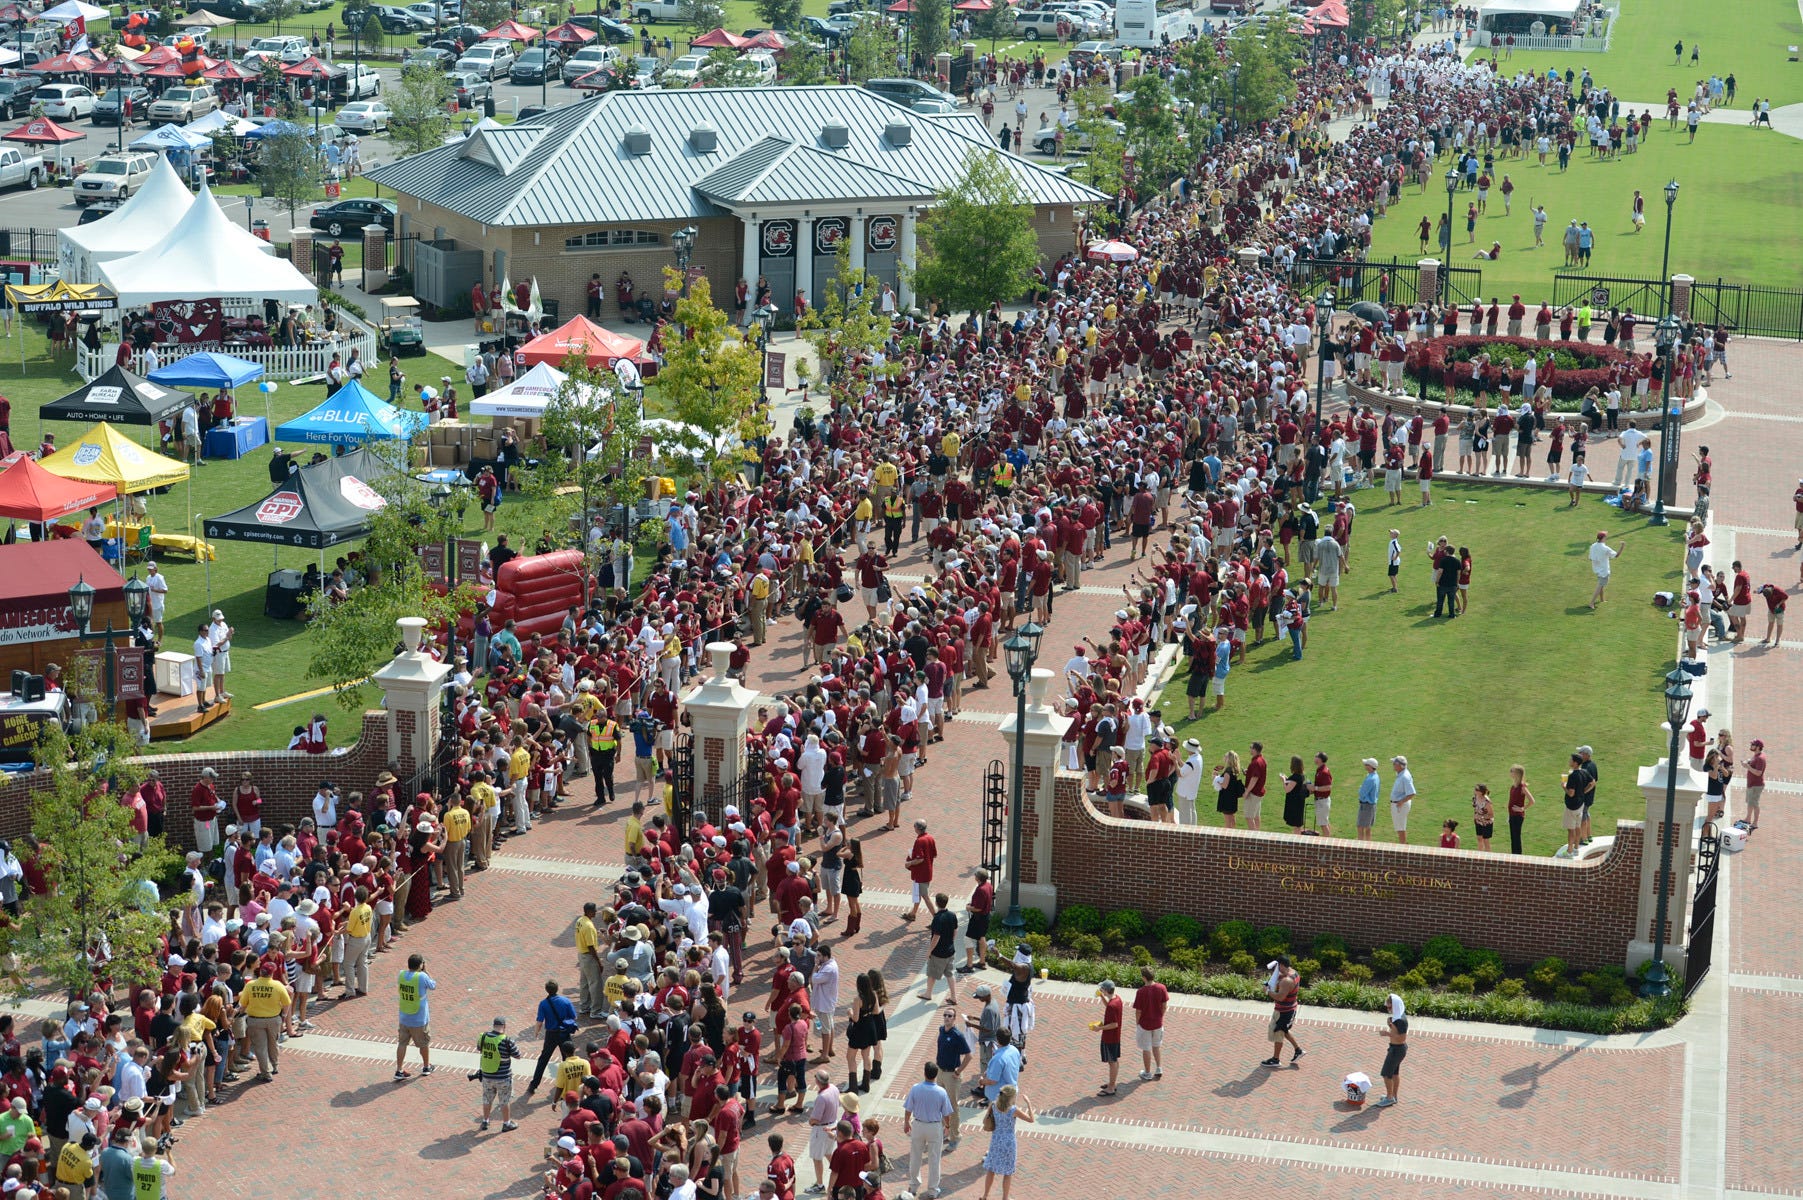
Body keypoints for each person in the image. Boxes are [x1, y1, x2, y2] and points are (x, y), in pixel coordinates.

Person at [901, 1061, 955, 1198]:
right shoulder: (941, 1092)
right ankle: (932, 1190)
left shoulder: (915, 1088)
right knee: (934, 1159)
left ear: (924, 1073)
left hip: (918, 1125)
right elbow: (946, 1114)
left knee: (915, 1156)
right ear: (936, 1075)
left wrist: (906, 1122)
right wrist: (947, 1127)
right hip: (934, 1127)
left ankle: (913, 1186)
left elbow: (908, 1109)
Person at [979, 1084, 1034, 1200]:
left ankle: (985, 1196)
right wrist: (1028, 1103)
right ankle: (1005, 1197)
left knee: (991, 1169)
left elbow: (986, 1119)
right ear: (1011, 1097)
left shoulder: (993, 1105)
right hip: (1009, 1142)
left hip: (996, 1140)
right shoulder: (1013, 1110)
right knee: (1008, 1172)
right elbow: (1031, 1119)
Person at [474, 1015, 521, 1133]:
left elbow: (479, 1048)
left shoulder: (483, 1037)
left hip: (487, 1076)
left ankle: (485, 1121)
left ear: (493, 1026)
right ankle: (506, 1124)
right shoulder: (507, 1040)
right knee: (504, 1100)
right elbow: (518, 1055)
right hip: (503, 1077)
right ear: (504, 1027)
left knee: (487, 1099)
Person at [395, 952, 435, 1081]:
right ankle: (426, 1067)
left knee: (402, 1043)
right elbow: (433, 985)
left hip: (404, 1016)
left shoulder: (401, 974)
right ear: (420, 965)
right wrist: (426, 971)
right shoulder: (422, 976)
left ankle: (399, 1070)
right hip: (419, 1018)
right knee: (423, 1043)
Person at [1261, 956, 1302, 1067]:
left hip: (1284, 1011)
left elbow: (1280, 997)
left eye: (1278, 966)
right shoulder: (1294, 972)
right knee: (1283, 1030)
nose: (1277, 969)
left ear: (1282, 965)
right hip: (1290, 1008)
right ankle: (1298, 1050)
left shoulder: (1286, 981)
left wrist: (1267, 991)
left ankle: (1276, 1059)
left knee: (1277, 1031)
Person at [1131, 964, 1167, 1080]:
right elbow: (1164, 1005)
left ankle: (1147, 1072)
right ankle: (1159, 1068)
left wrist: (1137, 1023)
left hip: (1145, 1025)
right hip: (1158, 1023)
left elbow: (1138, 1011)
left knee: (1146, 1048)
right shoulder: (1161, 988)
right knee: (1156, 1046)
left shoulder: (1141, 992)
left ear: (1144, 978)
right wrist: (1160, 1016)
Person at [1091, 978, 1124, 1095]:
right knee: (1114, 1060)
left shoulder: (1112, 1006)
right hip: (1115, 1037)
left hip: (1110, 1038)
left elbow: (1114, 1024)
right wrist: (1101, 997)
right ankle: (1113, 1083)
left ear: (1106, 990)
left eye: (1102, 989)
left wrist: (1099, 1028)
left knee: (1112, 1062)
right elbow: (1109, 1005)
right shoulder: (1117, 999)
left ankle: (1111, 1088)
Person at [1374, 996, 1408, 1108]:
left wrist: (1387, 1033)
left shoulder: (1401, 1021)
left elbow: (1402, 1038)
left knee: (1386, 1074)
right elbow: (1396, 1031)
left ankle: (1389, 1098)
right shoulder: (1397, 1017)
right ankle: (1393, 1096)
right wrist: (1390, 1024)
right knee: (1394, 1073)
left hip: (1397, 1050)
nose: (1388, 1009)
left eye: (1390, 1007)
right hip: (1395, 1048)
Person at [1588, 530, 1619, 609]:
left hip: (1596, 570)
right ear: (1603, 538)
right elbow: (1616, 555)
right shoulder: (1605, 548)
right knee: (1600, 586)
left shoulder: (1593, 545)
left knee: (1601, 585)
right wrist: (1622, 546)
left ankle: (1602, 599)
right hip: (1604, 571)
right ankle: (1591, 603)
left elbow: (1591, 558)